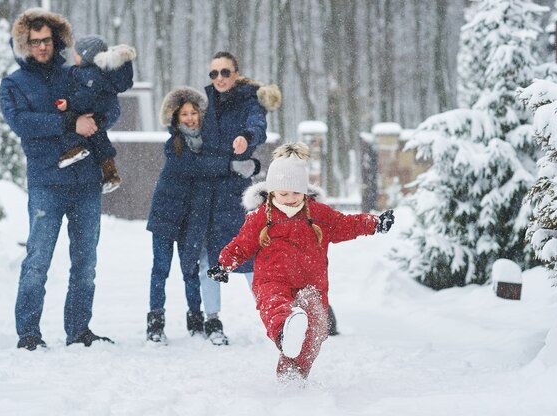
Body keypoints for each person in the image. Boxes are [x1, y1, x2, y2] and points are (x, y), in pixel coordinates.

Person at [207, 143, 395, 380]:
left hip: (311, 285)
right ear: (272, 191)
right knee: (277, 308)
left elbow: (345, 224)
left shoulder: (318, 214)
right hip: (272, 281)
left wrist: (374, 223)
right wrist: (224, 263)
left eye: (296, 193)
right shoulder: (259, 218)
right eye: (283, 193)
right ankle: (284, 333)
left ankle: (293, 374)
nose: (289, 199)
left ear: (304, 192)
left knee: (315, 329)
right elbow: (241, 244)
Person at [0, 8, 120, 350]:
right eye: (34, 41)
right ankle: (29, 333)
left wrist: (95, 117)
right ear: (24, 43)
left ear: (57, 40)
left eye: (46, 40)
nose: (41, 47)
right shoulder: (14, 84)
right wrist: (69, 123)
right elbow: (23, 123)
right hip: (46, 183)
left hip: (85, 182)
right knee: (38, 260)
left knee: (85, 263)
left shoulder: (76, 73)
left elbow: (110, 103)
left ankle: (79, 331)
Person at [146, 86, 261, 343]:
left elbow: (219, 161)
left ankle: (196, 317)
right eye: (184, 114)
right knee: (160, 269)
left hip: (189, 216)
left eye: (194, 112)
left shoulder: (208, 143)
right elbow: (197, 166)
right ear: (176, 118)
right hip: (166, 215)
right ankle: (155, 322)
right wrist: (230, 165)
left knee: (191, 268)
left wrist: (251, 163)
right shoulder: (173, 146)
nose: (190, 118)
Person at [194, 51, 281, 345]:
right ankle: (212, 319)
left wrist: (247, 138)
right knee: (209, 258)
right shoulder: (203, 103)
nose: (219, 78)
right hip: (206, 192)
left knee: (249, 255)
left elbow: (258, 126)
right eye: (214, 73)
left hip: (235, 195)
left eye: (225, 72)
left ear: (236, 73)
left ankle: (274, 318)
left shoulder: (249, 99)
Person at [55, 35, 136, 194]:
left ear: (86, 56)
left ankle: (76, 147)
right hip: (101, 115)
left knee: (72, 124)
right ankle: (110, 173)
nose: (74, 56)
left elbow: (85, 96)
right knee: (100, 140)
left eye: (77, 53)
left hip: (90, 111)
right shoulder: (104, 74)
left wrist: (69, 104)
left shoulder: (88, 74)